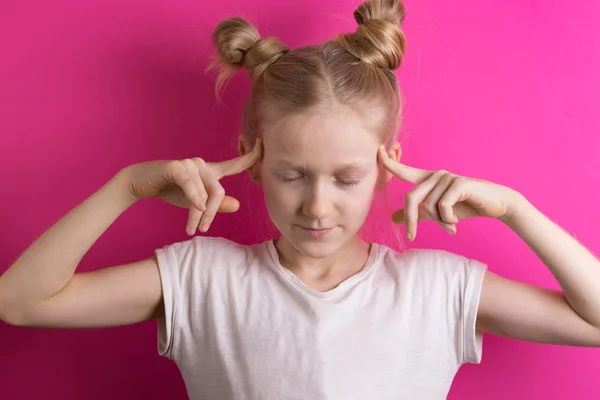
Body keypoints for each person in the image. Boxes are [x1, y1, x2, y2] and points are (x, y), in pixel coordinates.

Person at [1, 0, 598, 399]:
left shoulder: (437, 290)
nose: (317, 207)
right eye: (293, 174)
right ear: (253, 159)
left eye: (345, 178)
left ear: (387, 161)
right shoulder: (201, 279)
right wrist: (126, 187)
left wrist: (516, 209)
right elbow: (20, 303)